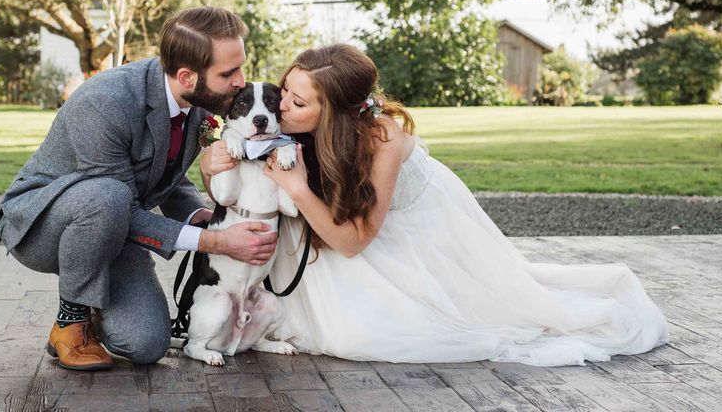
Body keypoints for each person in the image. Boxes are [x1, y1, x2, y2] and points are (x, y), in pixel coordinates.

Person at [204, 43, 668, 366]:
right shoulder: (285, 124)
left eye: (296, 101)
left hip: (408, 232)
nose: (280, 107)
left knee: (356, 333)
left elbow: (353, 242)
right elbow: (233, 184)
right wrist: (213, 163)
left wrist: (302, 190)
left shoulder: (383, 137)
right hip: (332, 227)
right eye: (285, 90)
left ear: (337, 113)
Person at [0, 6, 278, 370]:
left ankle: (97, 302)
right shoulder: (104, 102)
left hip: (115, 224)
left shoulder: (201, 102)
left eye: (241, 68)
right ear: (187, 76)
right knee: (107, 195)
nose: (240, 81)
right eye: (229, 73)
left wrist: (200, 217)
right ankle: (70, 321)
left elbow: (163, 175)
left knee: (146, 344)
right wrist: (215, 242)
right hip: (44, 223)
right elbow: (116, 202)